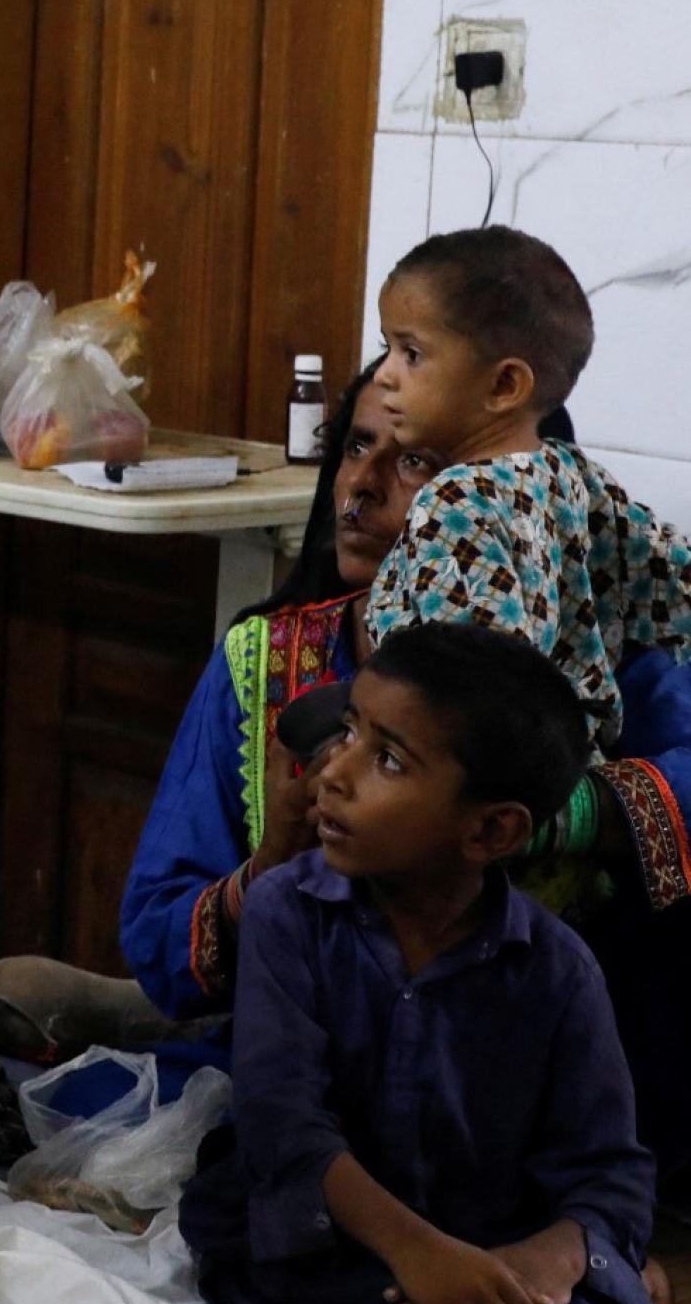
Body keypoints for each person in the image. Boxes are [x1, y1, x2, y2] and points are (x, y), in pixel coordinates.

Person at [118, 362, 691, 1210]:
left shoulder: (594, 669)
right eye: (354, 446)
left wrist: (561, 811)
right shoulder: (264, 666)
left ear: (521, 506)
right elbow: (161, 936)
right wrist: (272, 863)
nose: (361, 485)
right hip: (312, 1106)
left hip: (536, 1117)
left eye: (418, 462)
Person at [181, 622, 659, 1304]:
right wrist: (421, 1253)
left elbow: (609, 1171)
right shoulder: (288, 914)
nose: (332, 772)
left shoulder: (557, 971)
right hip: (333, 1251)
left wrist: (544, 1260)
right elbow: (285, 1128)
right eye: (347, 732)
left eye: (388, 759)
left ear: (491, 828)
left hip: (497, 1244)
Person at [366, 226, 691, 741]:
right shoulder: (573, 476)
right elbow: (677, 588)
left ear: (504, 385)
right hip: (570, 770)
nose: (384, 374)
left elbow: (462, 701)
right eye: (388, 348)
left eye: (412, 353)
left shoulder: (454, 502)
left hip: (471, 791)